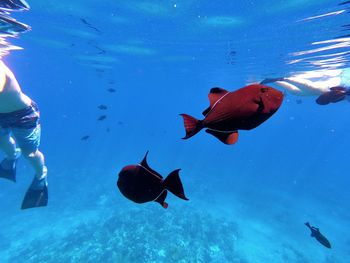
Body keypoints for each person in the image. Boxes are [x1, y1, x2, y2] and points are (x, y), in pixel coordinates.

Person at [0, 60, 48, 209]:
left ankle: (41, 175)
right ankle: (13, 156)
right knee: (2, 141)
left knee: (30, 153)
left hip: (23, 115)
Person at [261, 68, 350, 105]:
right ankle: (283, 79)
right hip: (341, 82)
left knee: (296, 92)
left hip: (339, 89)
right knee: (314, 88)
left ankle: (273, 80)